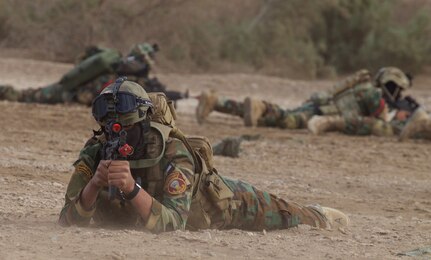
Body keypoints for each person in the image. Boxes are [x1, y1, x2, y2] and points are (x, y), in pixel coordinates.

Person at [58, 78, 349, 233]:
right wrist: (94, 185)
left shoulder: (172, 150)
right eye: (110, 128)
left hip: (218, 205)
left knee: (283, 212)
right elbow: (68, 219)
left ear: (145, 123)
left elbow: (173, 223)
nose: (116, 136)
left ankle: (318, 215)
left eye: (126, 127)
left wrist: (131, 189)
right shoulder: (97, 149)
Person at [196, 67, 419, 137]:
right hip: (321, 111)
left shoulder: (363, 86)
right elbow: (378, 122)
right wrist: (394, 117)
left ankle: (217, 102)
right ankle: (261, 105)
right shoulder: (374, 94)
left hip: (319, 105)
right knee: (286, 120)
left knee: (277, 117)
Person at [0, 43, 188, 105]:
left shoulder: (119, 71)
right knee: (25, 96)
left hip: (74, 93)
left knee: (29, 94)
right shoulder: (125, 77)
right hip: (70, 94)